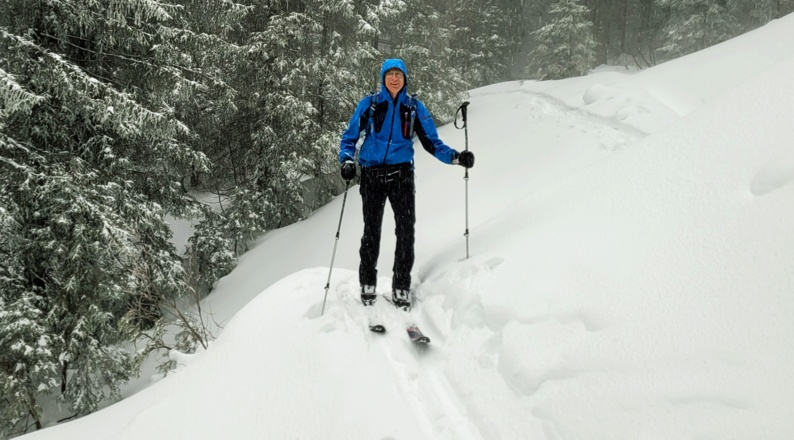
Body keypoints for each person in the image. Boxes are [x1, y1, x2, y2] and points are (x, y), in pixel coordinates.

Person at [339, 58, 475, 311]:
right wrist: (347, 161)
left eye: (398, 74)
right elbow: (349, 137)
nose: (394, 78)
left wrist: (456, 157)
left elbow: (432, 143)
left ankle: (401, 286)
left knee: (405, 231)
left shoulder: (414, 108)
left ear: (404, 79)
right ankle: (367, 283)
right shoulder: (369, 105)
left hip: (402, 175)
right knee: (371, 231)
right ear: (382, 78)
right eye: (389, 74)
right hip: (371, 175)